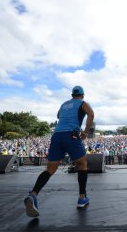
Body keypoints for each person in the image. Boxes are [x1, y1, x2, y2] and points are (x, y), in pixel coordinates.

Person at [24, 86, 94, 217]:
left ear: (72, 95)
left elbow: (58, 115)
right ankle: (82, 197)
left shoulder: (63, 104)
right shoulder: (83, 103)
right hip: (71, 134)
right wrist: (85, 132)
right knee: (82, 164)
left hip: (56, 136)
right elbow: (91, 114)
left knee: (50, 169)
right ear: (83, 95)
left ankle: (33, 194)